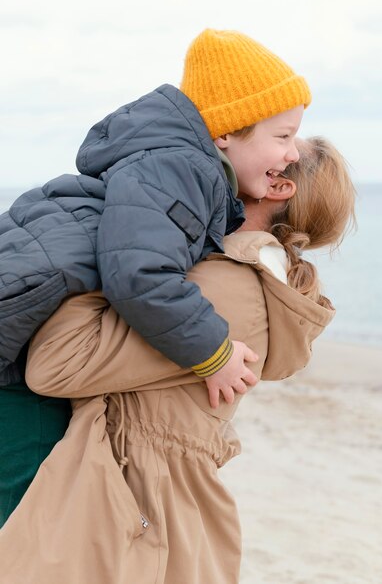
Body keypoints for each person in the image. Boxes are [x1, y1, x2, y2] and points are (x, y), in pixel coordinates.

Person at [0, 137, 356, 583]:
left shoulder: (230, 288)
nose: (231, 140)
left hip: (129, 513)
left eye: (283, 143)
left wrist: (114, 256)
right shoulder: (218, 268)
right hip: (129, 501)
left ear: (277, 186)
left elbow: (58, 363)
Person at [0, 30, 311, 524]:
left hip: (22, 316)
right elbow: (141, 275)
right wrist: (215, 353)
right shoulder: (183, 168)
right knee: (21, 503)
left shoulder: (179, 167)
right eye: (283, 136)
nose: (293, 152)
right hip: (14, 348)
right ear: (226, 132)